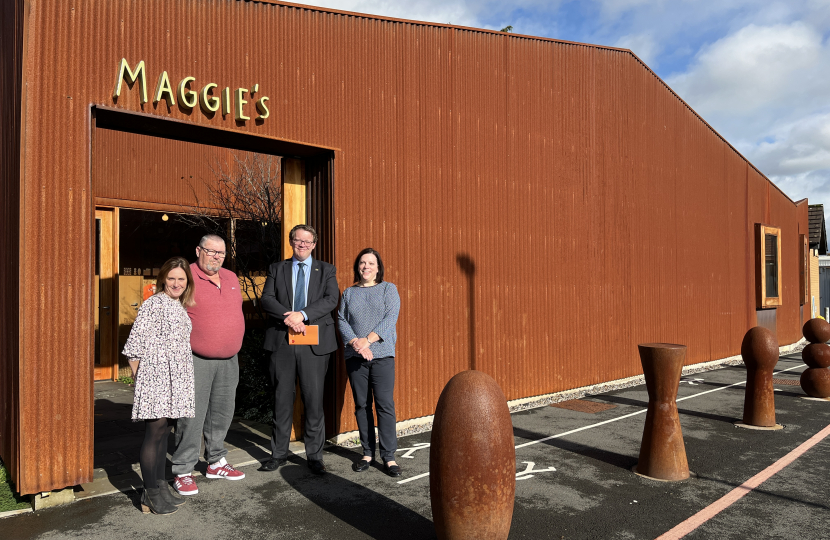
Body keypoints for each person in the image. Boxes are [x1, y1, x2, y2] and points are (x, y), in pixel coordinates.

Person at [259, 224, 339, 475]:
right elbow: (267, 299)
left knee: (314, 400)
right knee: (282, 399)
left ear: (314, 244)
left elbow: (330, 299)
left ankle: (314, 455)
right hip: (282, 341)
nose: (302, 244)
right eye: (297, 240)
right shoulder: (276, 268)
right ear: (291, 242)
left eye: (307, 241)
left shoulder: (326, 270)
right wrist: (290, 318)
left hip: (313, 342)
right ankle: (279, 453)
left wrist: (302, 315)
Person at [171, 234, 247, 496]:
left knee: (223, 412)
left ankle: (215, 461)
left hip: (229, 359)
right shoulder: (186, 276)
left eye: (221, 253)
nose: (216, 257)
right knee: (190, 416)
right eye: (211, 251)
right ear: (198, 250)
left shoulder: (231, 277)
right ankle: (182, 469)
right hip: (195, 359)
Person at [123, 256, 196, 515]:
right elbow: (133, 347)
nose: (176, 283)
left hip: (176, 380)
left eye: (181, 279)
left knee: (165, 432)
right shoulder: (154, 304)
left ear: (187, 282)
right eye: (171, 278)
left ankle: (161, 485)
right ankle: (150, 494)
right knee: (154, 434)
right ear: (163, 278)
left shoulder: (179, 304)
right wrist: (142, 381)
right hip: (156, 379)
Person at [337, 248, 402, 477]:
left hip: (382, 356)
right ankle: (367, 452)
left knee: (384, 405)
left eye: (371, 263)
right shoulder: (349, 292)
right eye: (362, 263)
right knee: (362, 405)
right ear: (358, 266)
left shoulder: (388, 289)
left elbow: (390, 319)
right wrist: (356, 343)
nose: (366, 267)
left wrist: (367, 341)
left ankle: (389, 456)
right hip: (355, 358)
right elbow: (342, 320)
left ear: (378, 267)